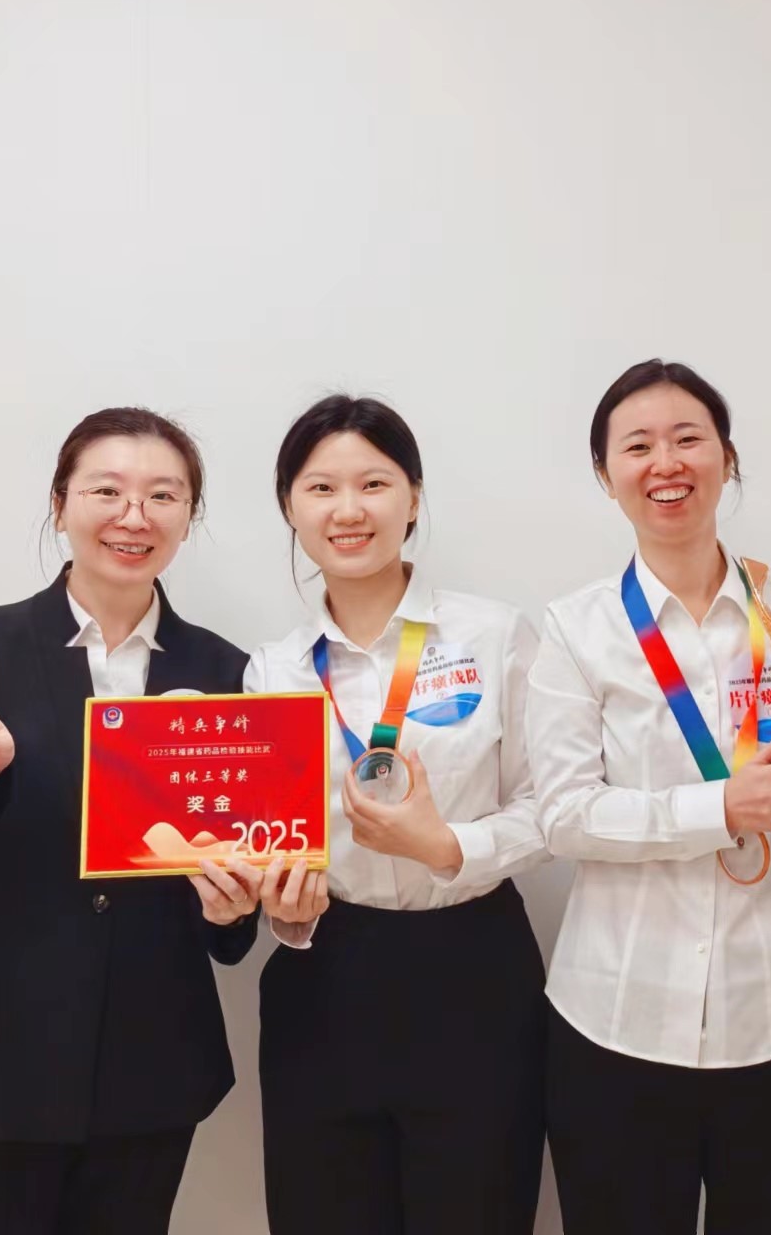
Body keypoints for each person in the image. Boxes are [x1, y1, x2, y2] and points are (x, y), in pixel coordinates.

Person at [0, 406, 323, 1235]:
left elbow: (229, 914)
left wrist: (232, 910)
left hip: (151, 1058)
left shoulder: (229, 671)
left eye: (163, 495)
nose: (134, 516)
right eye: (106, 490)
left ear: (189, 516)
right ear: (60, 504)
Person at [526, 359, 771, 1235]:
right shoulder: (576, 628)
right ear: (606, 475)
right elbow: (564, 815)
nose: (665, 463)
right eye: (637, 446)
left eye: (688, 439)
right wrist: (724, 808)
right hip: (617, 1023)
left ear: (727, 458)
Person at [247, 394, 549, 1235]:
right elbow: (270, 840)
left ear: (413, 497)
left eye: (373, 484)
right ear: (290, 507)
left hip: (475, 969)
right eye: (320, 488)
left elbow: (550, 807)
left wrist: (448, 846)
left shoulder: (493, 636)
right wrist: (283, 906)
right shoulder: (274, 671)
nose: (348, 510)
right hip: (324, 976)